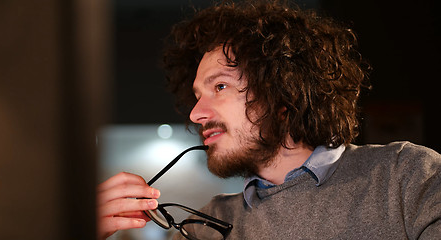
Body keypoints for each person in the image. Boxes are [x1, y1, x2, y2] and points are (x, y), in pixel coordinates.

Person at [97, 0, 441, 239]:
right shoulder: (206, 228)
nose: (195, 113)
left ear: (283, 90)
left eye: (220, 85)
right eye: (198, 95)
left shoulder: (407, 177)